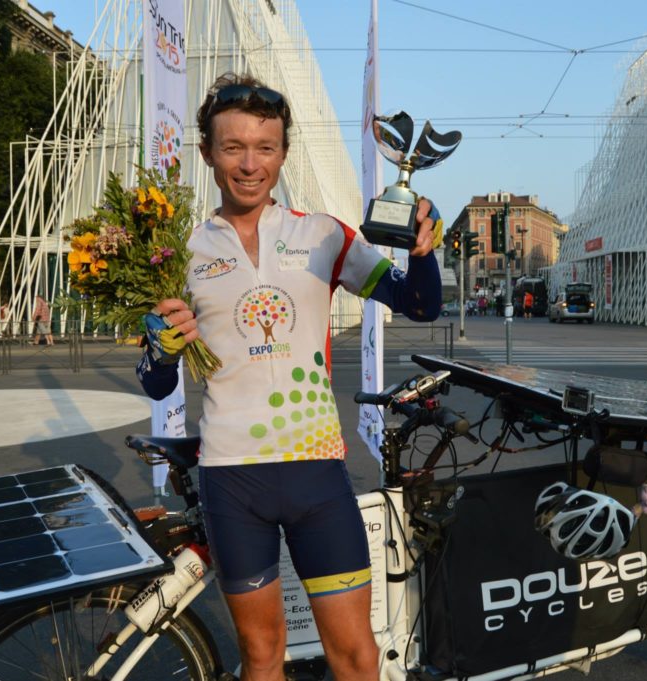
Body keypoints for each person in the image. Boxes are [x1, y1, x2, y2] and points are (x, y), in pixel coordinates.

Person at [136, 73, 442, 681]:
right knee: (262, 656)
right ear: (208, 153)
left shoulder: (324, 235)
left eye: (265, 148)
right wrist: (161, 351)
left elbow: (419, 305)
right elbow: (155, 384)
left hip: (315, 472)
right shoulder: (183, 252)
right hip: (232, 477)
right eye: (233, 148)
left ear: (282, 153)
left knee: (356, 656)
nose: (250, 165)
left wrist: (424, 253)